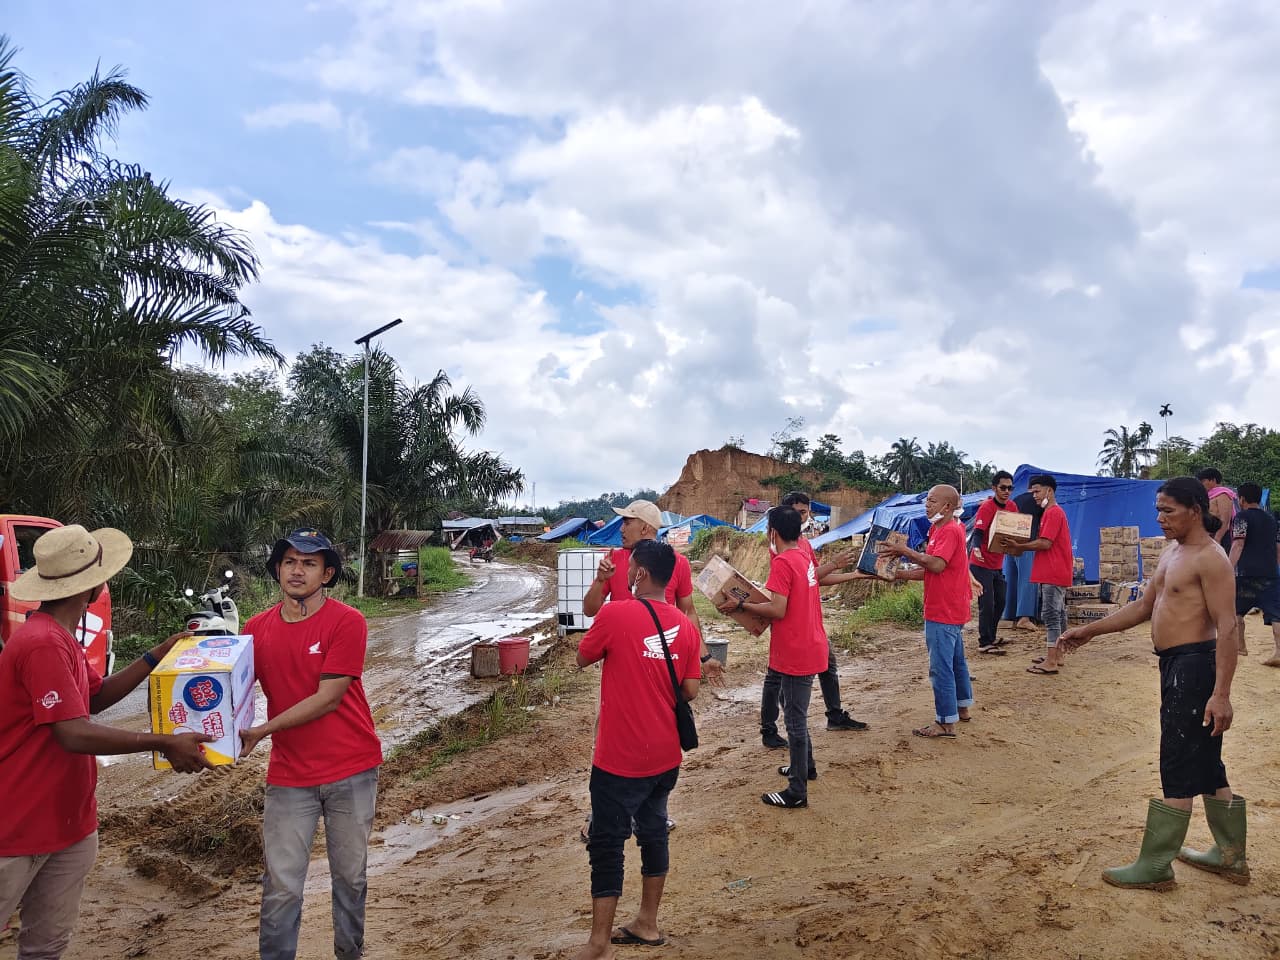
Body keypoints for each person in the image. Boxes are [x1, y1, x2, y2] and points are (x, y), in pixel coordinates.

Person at [0, 525, 212, 960]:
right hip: (18, 826)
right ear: (95, 584)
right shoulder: (41, 643)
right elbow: (72, 732)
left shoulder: (59, 636)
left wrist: (158, 654)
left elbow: (93, 697)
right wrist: (163, 741)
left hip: (67, 823)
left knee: (46, 945)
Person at [1059, 477, 1246, 890]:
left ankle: (1156, 865)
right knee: (1207, 763)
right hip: (1174, 665)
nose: (1160, 519)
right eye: (1158, 510)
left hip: (1196, 667)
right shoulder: (1171, 552)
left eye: (1169, 511)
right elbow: (1144, 606)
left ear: (1195, 510)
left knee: (1177, 760)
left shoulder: (1211, 559)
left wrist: (1221, 693)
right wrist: (1091, 631)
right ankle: (1230, 856)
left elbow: (1228, 627)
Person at [239, 529, 383, 960]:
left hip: (352, 767)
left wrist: (262, 732)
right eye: (289, 561)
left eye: (309, 563)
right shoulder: (255, 629)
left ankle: (349, 953)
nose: (297, 570)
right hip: (289, 774)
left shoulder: (347, 621)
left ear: (328, 573)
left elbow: (329, 697)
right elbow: (235, 692)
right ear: (278, 569)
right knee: (281, 885)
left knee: (350, 878)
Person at [572, 540, 701, 958]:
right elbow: (690, 689)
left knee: (607, 844)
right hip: (665, 756)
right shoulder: (686, 625)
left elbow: (582, 657)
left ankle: (598, 943)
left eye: (632, 569)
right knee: (653, 831)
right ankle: (647, 922)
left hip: (619, 758)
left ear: (640, 574)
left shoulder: (616, 614)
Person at [720, 506, 837, 807]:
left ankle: (797, 791)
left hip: (796, 650)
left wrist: (741, 606)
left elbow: (777, 610)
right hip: (808, 644)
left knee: (795, 720)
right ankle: (804, 766)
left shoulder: (784, 562)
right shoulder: (802, 557)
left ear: (772, 532)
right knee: (792, 708)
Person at [758, 491, 868, 749]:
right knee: (778, 679)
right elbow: (801, 581)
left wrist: (855, 575)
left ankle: (833, 716)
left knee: (826, 666)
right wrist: (834, 564)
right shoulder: (781, 552)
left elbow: (816, 578)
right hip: (792, 628)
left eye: (804, 513)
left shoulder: (804, 545)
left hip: (810, 623)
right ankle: (772, 731)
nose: (800, 518)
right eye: (796, 514)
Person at [583, 500, 722, 681]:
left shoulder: (677, 562)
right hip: (620, 661)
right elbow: (589, 610)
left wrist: (704, 657)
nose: (621, 529)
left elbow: (688, 612)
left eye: (627, 522)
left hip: (657, 659)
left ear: (644, 528)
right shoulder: (613, 560)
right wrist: (600, 582)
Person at [879, 486, 974, 739]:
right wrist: (898, 574)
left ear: (947, 507)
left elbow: (936, 564)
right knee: (956, 662)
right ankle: (962, 708)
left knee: (941, 667)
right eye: (927, 501)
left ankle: (945, 722)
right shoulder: (939, 530)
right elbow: (930, 570)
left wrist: (904, 551)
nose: (927, 505)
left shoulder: (950, 531)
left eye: (932, 501)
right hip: (950, 606)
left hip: (943, 609)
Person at [1006, 475, 1072, 675]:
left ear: (1049, 491)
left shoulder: (1053, 513)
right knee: (1058, 613)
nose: (1034, 496)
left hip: (1053, 571)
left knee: (1051, 615)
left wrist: (1020, 546)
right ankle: (1057, 654)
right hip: (1055, 570)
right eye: (1032, 492)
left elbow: (1045, 542)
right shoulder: (1051, 513)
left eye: (1037, 491)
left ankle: (1052, 660)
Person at [1228, 483, 1280, 662]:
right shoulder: (1271, 518)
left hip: (1245, 573)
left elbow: (1238, 543)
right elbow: (1277, 546)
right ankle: (1279, 652)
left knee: (1236, 611)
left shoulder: (1241, 517)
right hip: (1270, 572)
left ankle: (1240, 646)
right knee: (1276, 614)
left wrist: (1228, 567)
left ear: (1241, 499)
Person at [969, 471, 1019, 655]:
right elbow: (978, 532)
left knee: (1001, 601)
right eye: (1003, 487)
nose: (1007, 491)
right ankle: (984, 642)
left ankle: (991, 636)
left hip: (998, 564)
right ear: (994, 488)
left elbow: (1016, 531)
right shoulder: (987, 507)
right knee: (987, 603)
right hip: (980, 563)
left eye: (1010, 488)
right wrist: (975, 549)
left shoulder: (1013, 507)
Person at [1197, 468, 1237, 554]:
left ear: (1213, 480)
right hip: (1209, 536)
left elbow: (1225, 521)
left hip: (1221, 538)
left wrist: (1217, 540)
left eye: (1203, 481)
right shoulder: (1208, 496)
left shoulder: (1223, 495)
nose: (1201, 484)